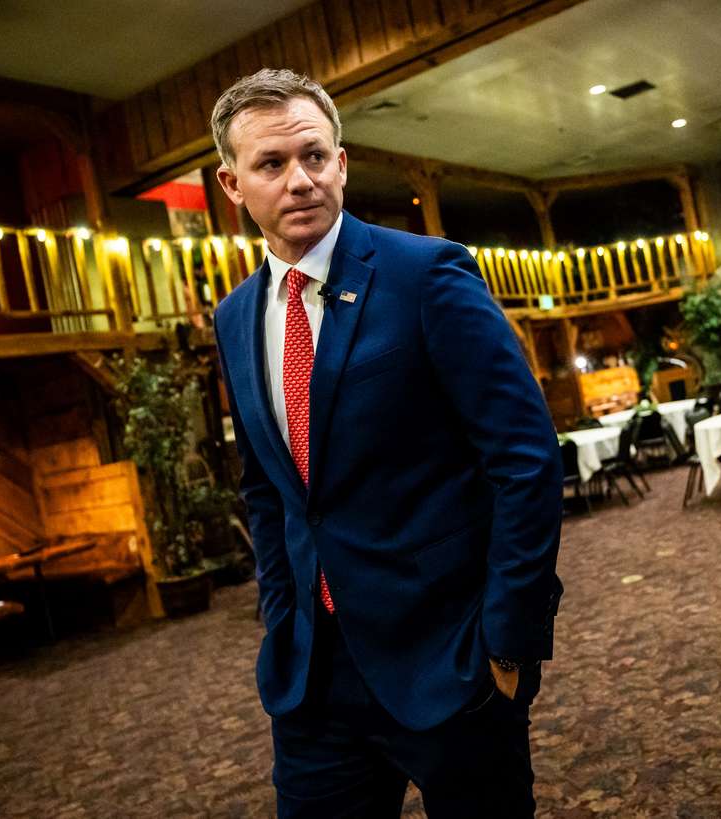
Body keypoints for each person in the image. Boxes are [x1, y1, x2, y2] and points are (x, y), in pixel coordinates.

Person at [210, 68, 564, 817]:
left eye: (314, 155)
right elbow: (268, 491)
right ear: (232, 184)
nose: (300, 179)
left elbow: (526, 459)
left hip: (450, 661)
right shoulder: (235, 317)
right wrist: (282, 617)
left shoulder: (425, 273)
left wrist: (507, 640)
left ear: (341, 163)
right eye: (271, 163)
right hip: (314, 680)